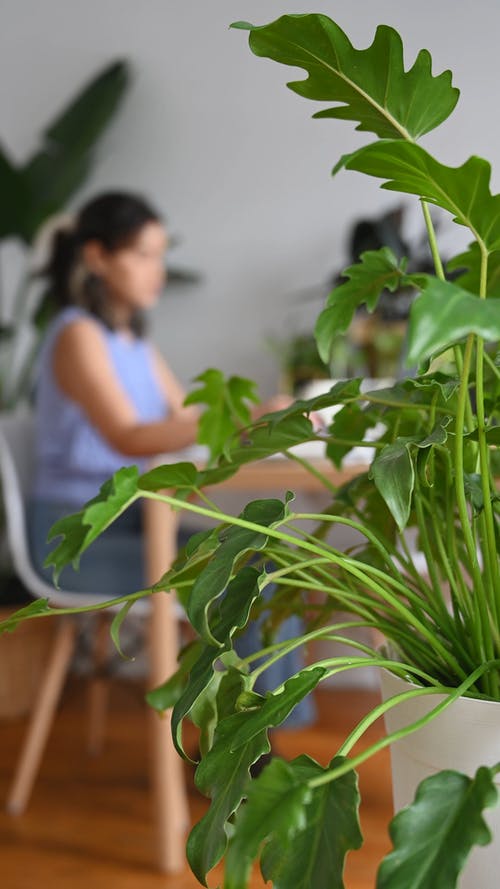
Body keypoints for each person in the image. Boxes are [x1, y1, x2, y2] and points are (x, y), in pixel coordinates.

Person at [28, 190, 314, 727]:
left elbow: (184, 416)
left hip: (132, 521)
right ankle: (248, 737)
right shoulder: (76, 335)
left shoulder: (133, 342)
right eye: (142, 254)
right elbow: (130, 436)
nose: (157, 270)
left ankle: (255, 730)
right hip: (78, 538)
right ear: (96, 257)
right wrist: (247, 414)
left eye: (161, 254)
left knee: (264, 558)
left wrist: (253, 416)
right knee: (247, 568)